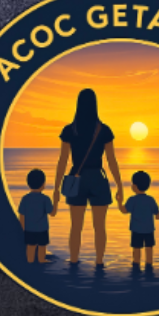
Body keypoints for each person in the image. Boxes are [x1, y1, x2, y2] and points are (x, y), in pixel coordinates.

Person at [52, 87, 123, 270]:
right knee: (100, 226)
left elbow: (62, 161)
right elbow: (111, 160)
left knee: (76, 226)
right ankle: (99, 262)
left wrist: (56, 188)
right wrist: (120, 185)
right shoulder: (104, 130)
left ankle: (74, 261)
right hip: (98, 179)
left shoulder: (70, 130)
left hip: (77, 178)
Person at [122, 170, 159, 274]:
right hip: (149, 229)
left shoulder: (132, 199)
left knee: (136, 248)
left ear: (134, 186)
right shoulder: (150, 199)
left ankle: (136, 265)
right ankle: (149, 264)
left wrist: (119, 202)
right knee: (149, 248)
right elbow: (156, 211)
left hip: (136, 229)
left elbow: (125, 211)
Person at [17, 168, 54, 265]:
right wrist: (56, 202)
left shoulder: (25, 199)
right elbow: (52, 213)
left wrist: (23, 228)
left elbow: (22, 215)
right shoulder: (45, 199)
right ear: (43, 184)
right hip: (42, 229)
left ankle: (30, 261)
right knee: (42, 246)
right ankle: (41, 260)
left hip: (29, 229)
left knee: (30, 246)